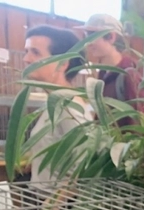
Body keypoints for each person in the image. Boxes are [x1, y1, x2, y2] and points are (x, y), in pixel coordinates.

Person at [23, 25, 92, 183]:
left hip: (57, 205)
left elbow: (84, 163)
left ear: (62, 63)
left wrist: (56, 203)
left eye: (35, 52)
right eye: (26, 51)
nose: (26, 59)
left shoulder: (68, 105)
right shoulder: (53, 101)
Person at [74, 14, 144, 126]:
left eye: (92, 36)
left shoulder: (128, 74)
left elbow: (139, 124)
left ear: (111, 37)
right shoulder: (103, 74)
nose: (88, 43)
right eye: (86, 36)